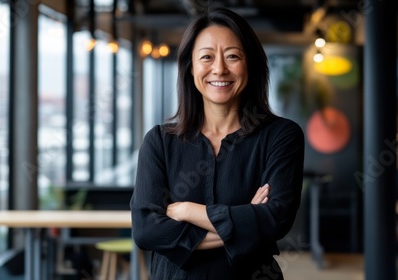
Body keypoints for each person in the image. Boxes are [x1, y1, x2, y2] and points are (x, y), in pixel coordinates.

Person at [130, 7, 305, 280]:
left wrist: (187, 211)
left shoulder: (281, 136)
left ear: (251, 64)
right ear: (190, 67)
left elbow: (275, 219)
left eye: (233, 56)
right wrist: (246, 221)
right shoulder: (160, 142)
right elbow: (145, 230)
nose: (220, 69)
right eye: (207, 57)